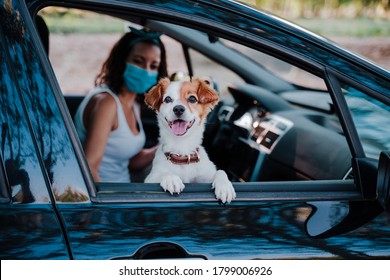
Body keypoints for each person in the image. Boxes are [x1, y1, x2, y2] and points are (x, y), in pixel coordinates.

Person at [74, 28, 168, 182]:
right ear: (122, 61)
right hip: (109, 197)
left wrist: (165, 147)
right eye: (138, 61)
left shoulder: (133, 101)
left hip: (123, 188)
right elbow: (89, 170)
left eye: (153, 66)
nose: (146, 70)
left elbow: (127, 163)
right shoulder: (107, 103)